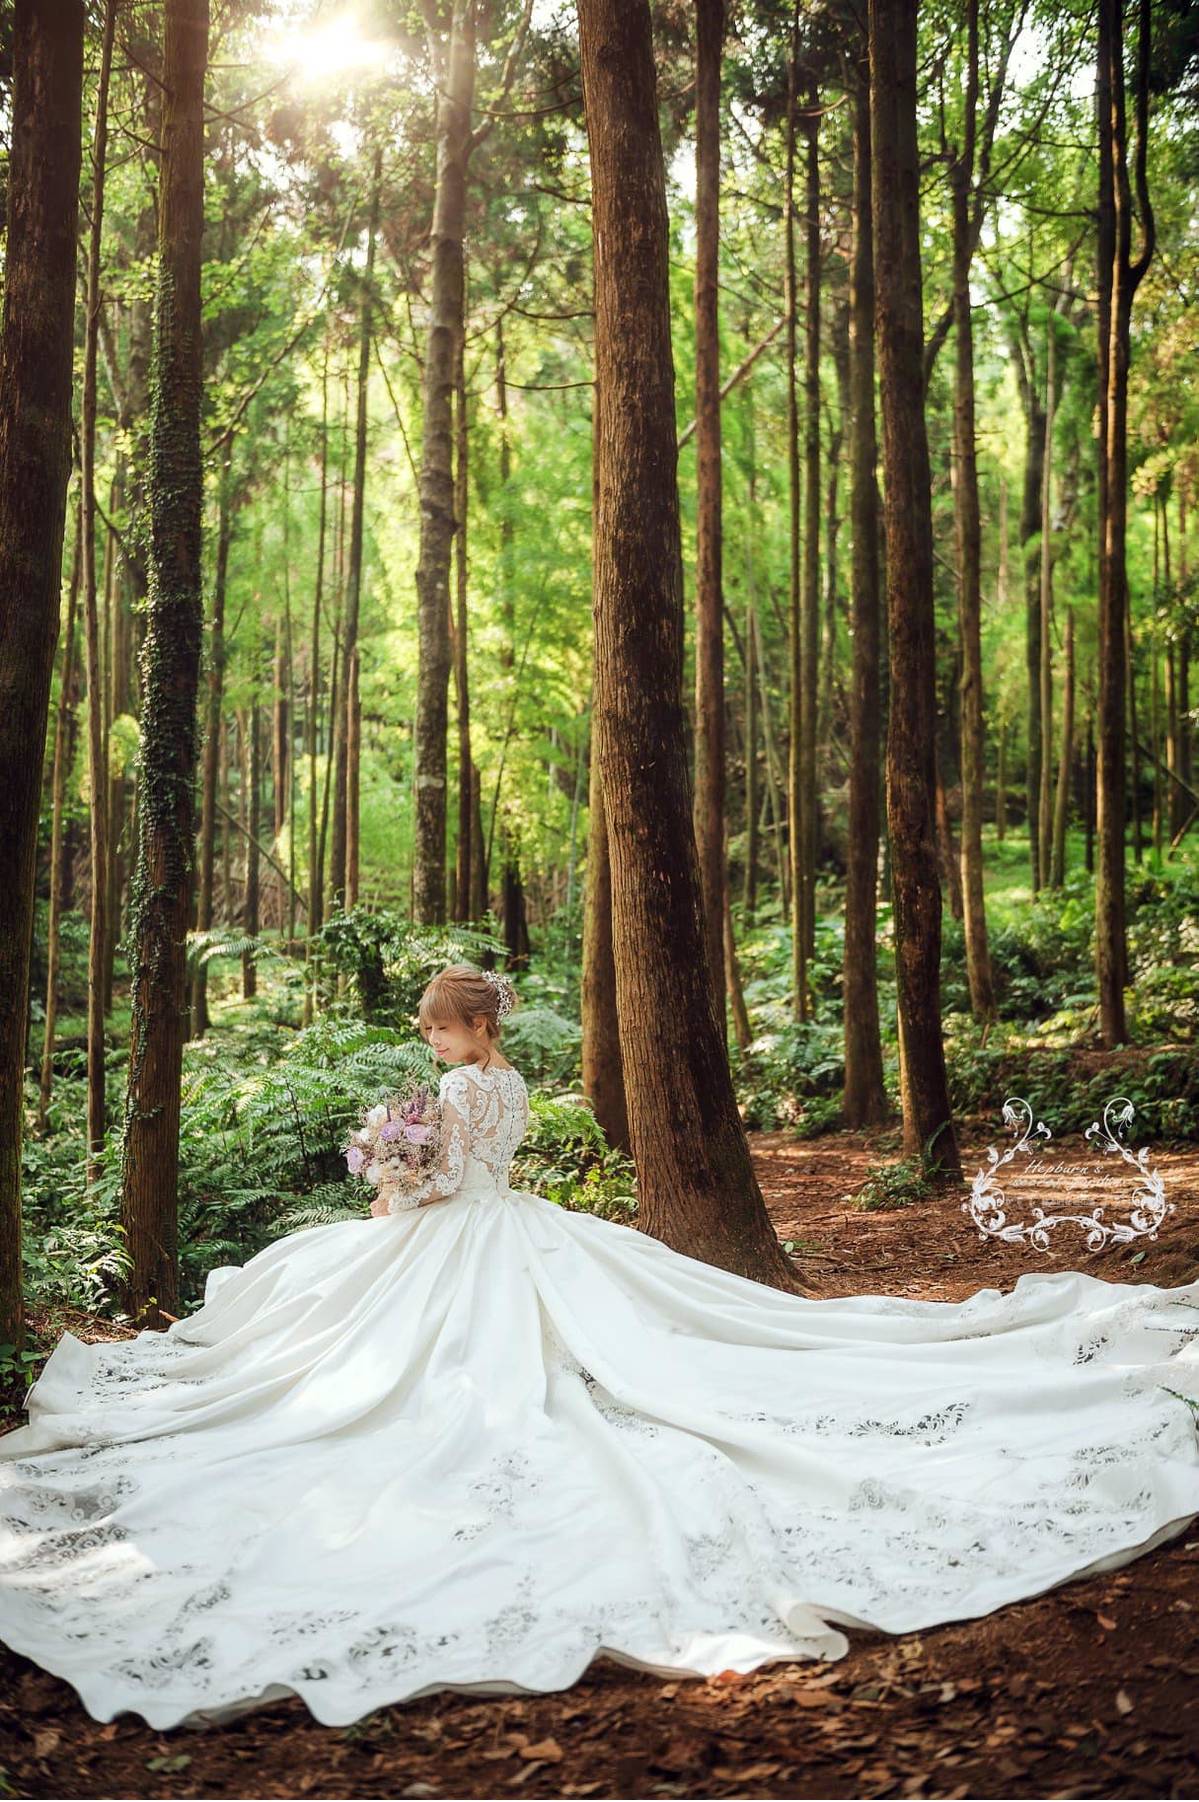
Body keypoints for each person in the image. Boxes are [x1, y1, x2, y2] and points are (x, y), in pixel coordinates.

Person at [1, 961, 1197, 1732]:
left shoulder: (454, 1094)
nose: (426, 1036)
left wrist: (392, 1181)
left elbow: (437, 1183)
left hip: (459, 1233)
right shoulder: (509, 1082)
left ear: (469, 1029)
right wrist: (402, 1160)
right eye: (427, 1026)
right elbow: (476, 1162)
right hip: (514, 1224)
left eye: (435, 1023)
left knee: (419, 1352)